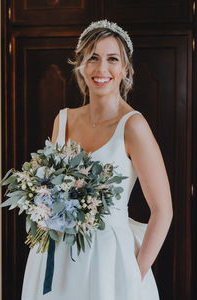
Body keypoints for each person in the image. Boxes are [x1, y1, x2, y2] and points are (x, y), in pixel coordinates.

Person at [21, 20, 173, 300]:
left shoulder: (133, 126)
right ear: (81, 65)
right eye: (93, 58)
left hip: (109, 261)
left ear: (124, 69)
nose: (102, 69)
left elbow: (163, 211)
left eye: (112, 59)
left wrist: (134, 274)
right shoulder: (63, 120)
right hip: (58, 255)